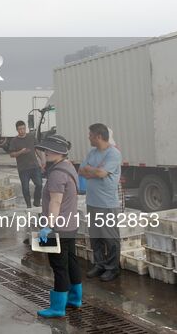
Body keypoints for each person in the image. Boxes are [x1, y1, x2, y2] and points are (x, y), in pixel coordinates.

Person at [34, 135, 82, 318]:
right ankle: (74, 299)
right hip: (71, 225)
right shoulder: (68, 166)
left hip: (58, 228)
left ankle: (57, 308)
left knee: (59, 266)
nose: (45, 152)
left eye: (48, 150)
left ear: (58, 152)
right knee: (71, 261)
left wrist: (48, 226)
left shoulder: (56, 174)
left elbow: (55, 201)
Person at [78, 123, 122, 282]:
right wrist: (94, 170)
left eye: (90, 135)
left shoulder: (113, 154)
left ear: (98, 136)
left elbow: (103, 173)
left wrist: (93, 170)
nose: (88, 137)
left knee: (110, 238)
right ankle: (99, 264)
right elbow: (81, 171)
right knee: (95, 236)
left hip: (107, 203)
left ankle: (113, 268)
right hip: (92, 201)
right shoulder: (92, 152)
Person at [9, 120, 45, 208]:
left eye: (23, 128)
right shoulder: (14, 140)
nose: (22, 131)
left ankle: (36, 202)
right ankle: (28, 205)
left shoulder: (31, 137)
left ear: (26, 128)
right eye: (20, 129)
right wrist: (20, 152)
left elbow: (37, 149)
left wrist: (42, 160)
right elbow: (11, 154)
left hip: (34, 166)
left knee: (39, 184)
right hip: (23, 168)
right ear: (17, 130)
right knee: (25, 188)